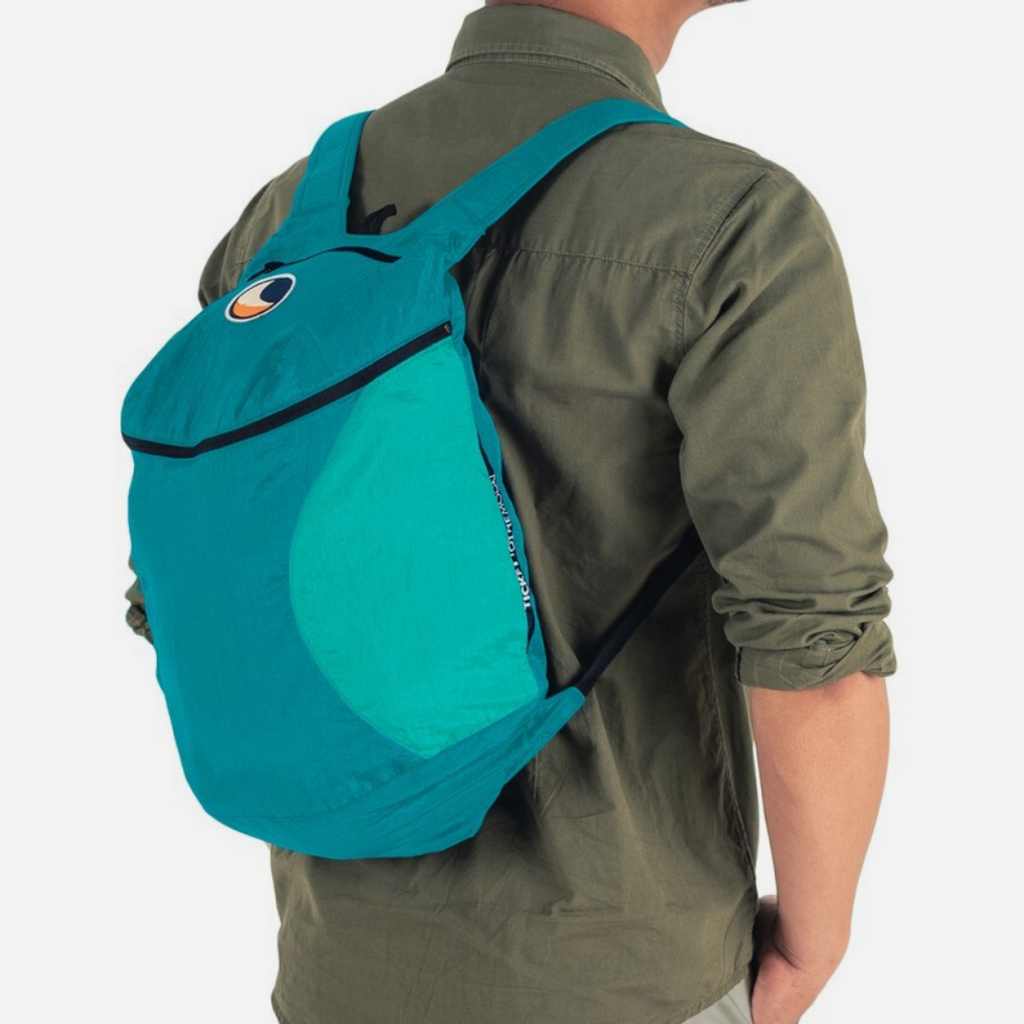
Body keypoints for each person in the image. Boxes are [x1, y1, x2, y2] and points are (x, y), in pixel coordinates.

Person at [123, 2, 897, 1022]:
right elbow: (812, 652)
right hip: (622, 973)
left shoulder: (287, 216)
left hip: (334, 970)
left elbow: (194, 590)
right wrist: (812, 941)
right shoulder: (730, 218)